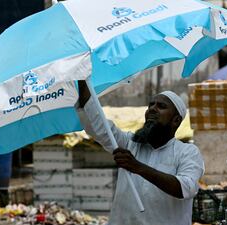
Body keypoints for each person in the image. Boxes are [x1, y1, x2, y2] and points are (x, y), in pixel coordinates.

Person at [76, 80, 204, 225]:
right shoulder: (130, 143)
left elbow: (186, 188)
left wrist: (138, 167)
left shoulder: (187, 152)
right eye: (151, 105)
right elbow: (98, 125)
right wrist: (82, 82)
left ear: (176, 120)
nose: (152, 109)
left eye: (161, 106)